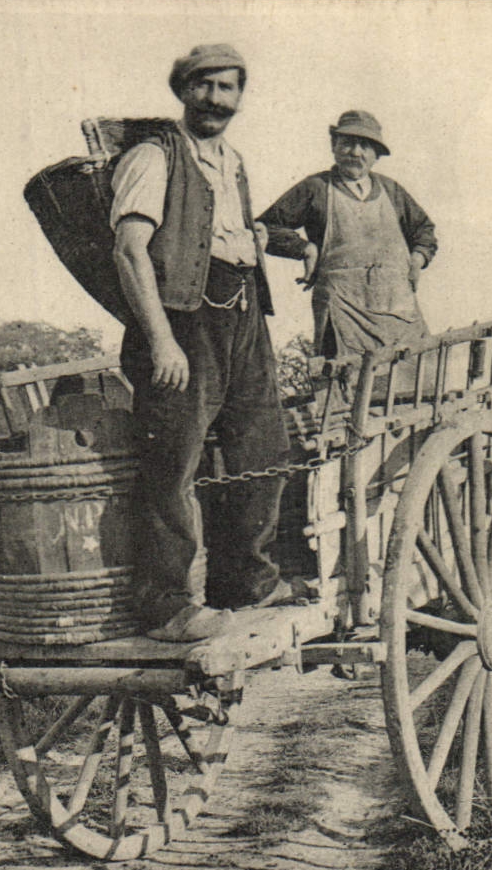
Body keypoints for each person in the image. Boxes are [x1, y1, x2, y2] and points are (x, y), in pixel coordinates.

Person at [110, 43, 290, 641]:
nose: (216, 99)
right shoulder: (153, 155)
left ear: (241, 97)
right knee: (173, 462)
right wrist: (161, 343)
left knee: (264, 449)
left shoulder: (233, 159)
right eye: (204, 85)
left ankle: (247, 583)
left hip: (243, 312)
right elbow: (131, 250)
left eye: (227, 88)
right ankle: (163, 605)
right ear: (182, 90)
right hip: (182, 320)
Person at [258, 110, 438, 363]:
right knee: (342, 387)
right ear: (334, 146)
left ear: (376, 155)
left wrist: (418, 259)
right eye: (347, 143)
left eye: (364, 146)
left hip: (398, 310)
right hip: (342, 310)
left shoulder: (392, 191)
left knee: (413, 385)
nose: (355, 152)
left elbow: (424, 231)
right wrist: (305, 249)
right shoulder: (316, 188)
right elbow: (265, 227)